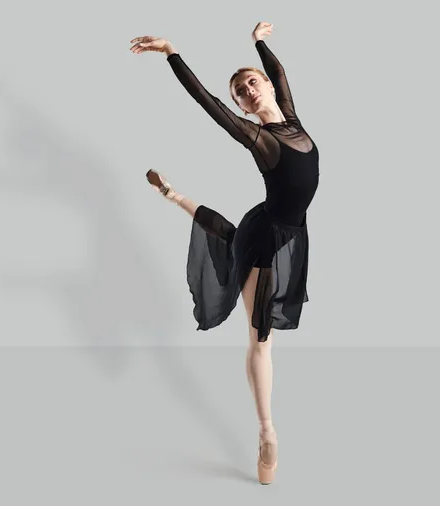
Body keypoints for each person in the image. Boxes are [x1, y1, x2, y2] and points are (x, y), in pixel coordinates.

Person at [129, 21, 320, 485]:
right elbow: (206, 102)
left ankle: (173, 196)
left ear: (267, 85)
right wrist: (172, 52)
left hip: (287, 229)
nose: (248, 90)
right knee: (261, 339)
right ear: (241, 106)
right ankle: (267, 433)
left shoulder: (291, 118)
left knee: (229, 235)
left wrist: (259, 42)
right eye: (240, 92)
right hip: (267, 240)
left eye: (252, 82)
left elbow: (280, 73)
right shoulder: (260, 139)